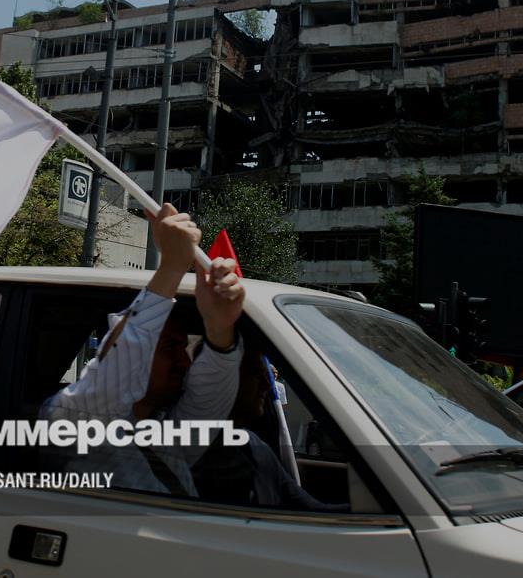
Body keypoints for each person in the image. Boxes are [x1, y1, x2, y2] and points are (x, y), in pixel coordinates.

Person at [39, 203, 245, 496]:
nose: (182, 361)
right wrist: (172, 268)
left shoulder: (164, 434)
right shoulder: (75, 419)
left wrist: (219, 328)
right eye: (169, 346)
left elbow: (209, 399)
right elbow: (112, 377)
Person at [193, 347, 346, 512]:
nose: (267, 384)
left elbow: (311, 510)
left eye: (266, 374)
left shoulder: (254, 446)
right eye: (255, 373)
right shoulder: (190, 456)